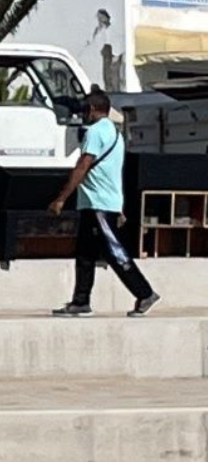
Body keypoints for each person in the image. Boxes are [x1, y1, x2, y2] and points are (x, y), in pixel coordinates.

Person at [48, 89, 159, 318]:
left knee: (114, 251)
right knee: (85, 254)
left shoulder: (96, 132)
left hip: (99, 202)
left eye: (85, 110)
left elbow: (82, 165)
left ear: (91, 109)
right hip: (99, 202)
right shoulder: (114, 133)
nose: (83, 115)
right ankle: (81, 301)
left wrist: (61, 198)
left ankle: (144, 292)